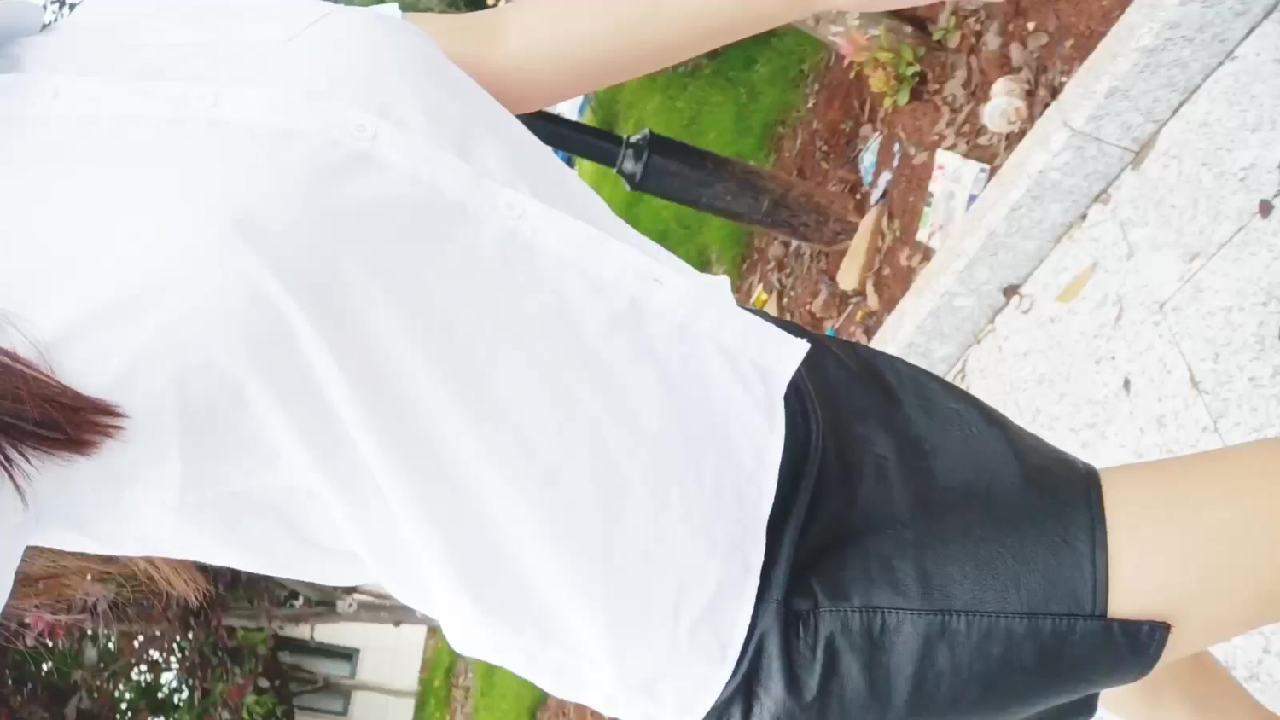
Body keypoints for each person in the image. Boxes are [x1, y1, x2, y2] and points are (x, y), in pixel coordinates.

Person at [0, 0, 1277, 718]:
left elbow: (488, 57)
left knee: (1150, 675)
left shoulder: (53, 39)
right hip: (757, 601)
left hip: (770, 395)